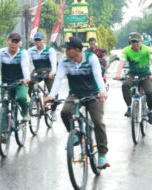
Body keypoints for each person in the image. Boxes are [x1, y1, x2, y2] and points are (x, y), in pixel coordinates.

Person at [45, 37, 110, 169]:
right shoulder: (64, 61)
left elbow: (98, 75)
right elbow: (58, 78)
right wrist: (51, 95)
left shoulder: (91, 58)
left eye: (68, 49)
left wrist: (102, 92)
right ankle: (74, 134)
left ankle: (102, 155)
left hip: (93, 94)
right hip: (75, 93)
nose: (65, 52)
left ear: (77, 50)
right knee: (65, 112)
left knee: (98, 122)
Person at [0, 32, 31, 120]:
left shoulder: (23, 53)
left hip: (20, 82)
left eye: (16, 42)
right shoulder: (1, 52)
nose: (14, 44)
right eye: (12, 41)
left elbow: (25, 67)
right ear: (7, 41)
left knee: (21, 98)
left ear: (19, 43)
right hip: (6, 83)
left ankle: (25, 113)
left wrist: (27, 78)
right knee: (4, 103)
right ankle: (3, 132)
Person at [115, 32, 152, 124]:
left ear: (141, 41)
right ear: (130, 42)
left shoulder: (147, 49)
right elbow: (121, 63)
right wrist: (118, 75)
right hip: (132, 74)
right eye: (133, 42)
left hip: (146, 75)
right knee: (125, 85)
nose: (135, 44)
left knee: (150, 93)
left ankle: (150, 111)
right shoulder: (126, 50)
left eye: (137, 42)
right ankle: (129, 107)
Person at [28, 31, 58, 120]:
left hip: (48, 71)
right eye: (36, 40)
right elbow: (27, 63)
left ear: (43, 40)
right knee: (28, 82)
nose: (37, 42)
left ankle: (53, 111)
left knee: (53, 91)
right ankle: (33, 99)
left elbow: (53, 63)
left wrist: (53, 72)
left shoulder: (50, 50)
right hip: (37, 70)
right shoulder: (31, 50)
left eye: (39, 40)